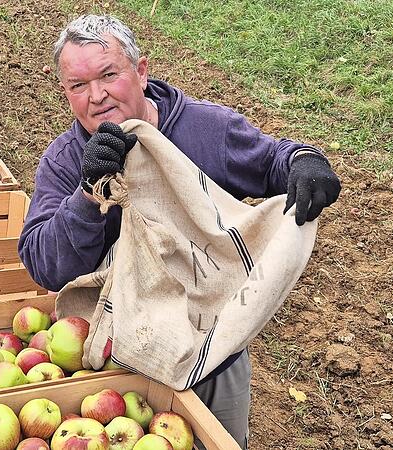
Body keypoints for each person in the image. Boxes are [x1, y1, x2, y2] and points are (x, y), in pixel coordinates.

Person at [17, 14, 341, 448]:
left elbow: (272, 161)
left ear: (141, 71)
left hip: (211, 349)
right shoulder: (65, 161)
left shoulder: (204, 129)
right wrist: (88, 195)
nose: (96, 96)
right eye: (79, 85)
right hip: (114, 359)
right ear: (66, 92)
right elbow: (44, 264)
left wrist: (305, 160)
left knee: (221, 441)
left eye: (109, 75)